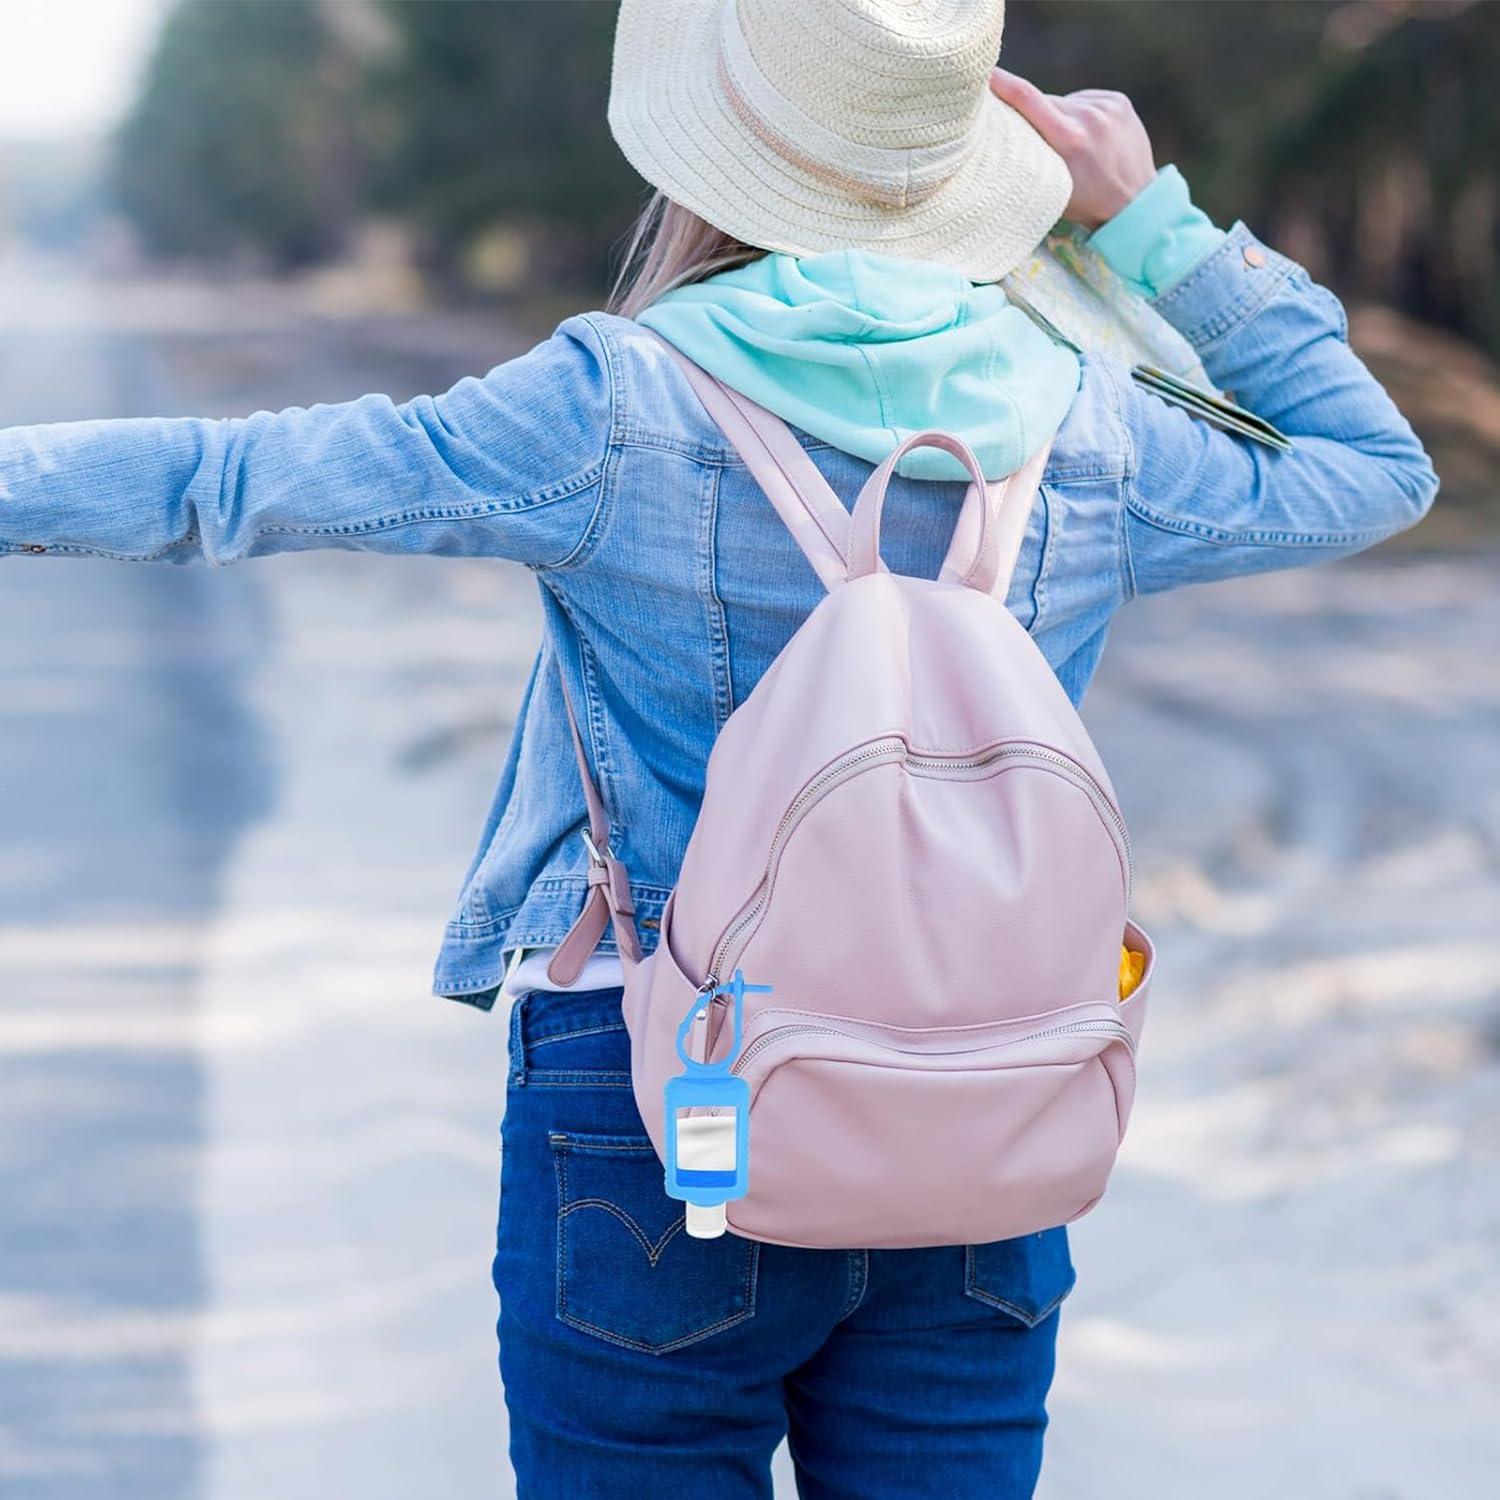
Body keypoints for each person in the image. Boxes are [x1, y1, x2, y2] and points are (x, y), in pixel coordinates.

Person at [0, 2, 1437, 1495]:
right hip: (982, 1100)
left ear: (717, 159)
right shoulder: (1089, 427)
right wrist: (1150, 227)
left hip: (665, 1088)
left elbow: (233, 476)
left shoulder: (611, 406)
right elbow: (1375, 468)